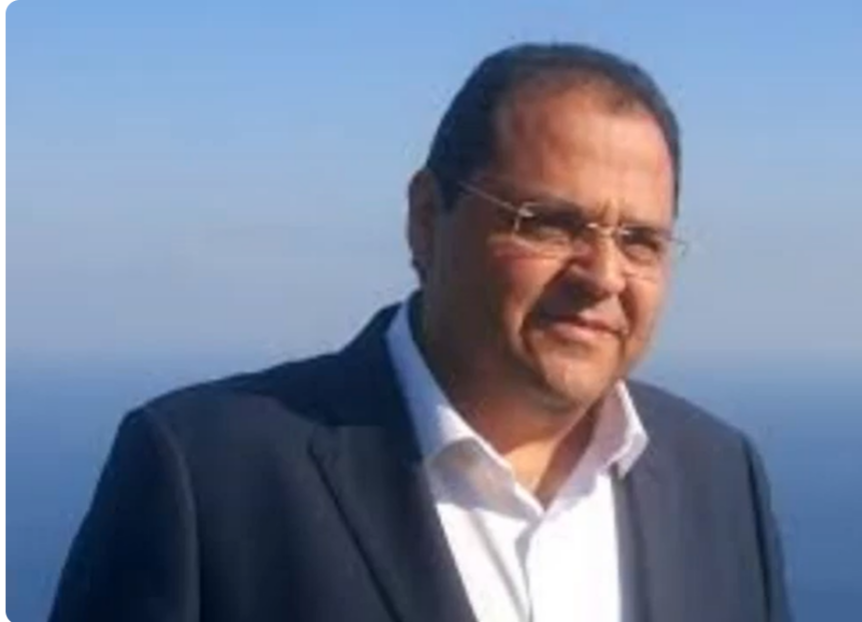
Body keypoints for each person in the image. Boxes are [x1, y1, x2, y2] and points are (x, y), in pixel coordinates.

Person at [49, 42, 792, 622]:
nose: (603, 275)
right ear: (427, 218)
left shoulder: (718, 475)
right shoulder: (207, 473)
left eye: (640, 241)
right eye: (551, 224)